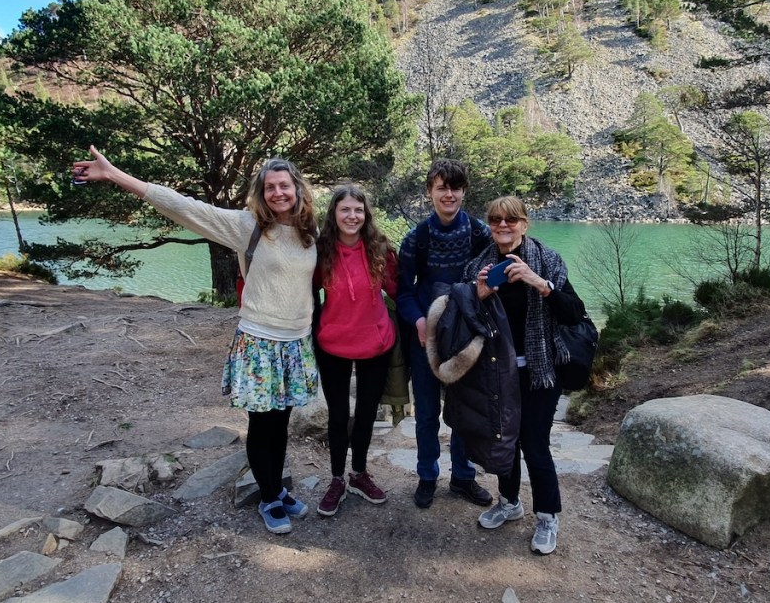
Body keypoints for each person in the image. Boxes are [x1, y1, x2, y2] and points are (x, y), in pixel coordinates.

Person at [70, 146, 318, 536]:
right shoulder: (246, 226)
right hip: (259, 341)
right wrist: (115, 174)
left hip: (295, 343)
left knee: (282, 422)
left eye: (284, 185)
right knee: (261, 424)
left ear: (298, 190)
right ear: (261, 193)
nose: (278, 193)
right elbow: (183, 206)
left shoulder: (311, 234)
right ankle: (270, 496)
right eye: (270, 187)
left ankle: (278, 489)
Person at [463, 196, 587, 555]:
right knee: (505, 441)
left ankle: (547, 515)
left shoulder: (548, 260)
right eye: (496, 219)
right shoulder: (478, 266)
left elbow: (574, 314)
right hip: (496, 372)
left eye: (511, 220)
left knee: (534, 444)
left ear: (524, 224)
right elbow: (465, 317)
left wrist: (540, 284)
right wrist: (479, 294)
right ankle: (510, 502)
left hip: (541, 371)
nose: (503, 225)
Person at [396, 159, 493, 509]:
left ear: (464, 191)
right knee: (425, 413)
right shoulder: (416, 238)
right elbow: (403, 291)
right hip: (426, 339)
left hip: (466, 337)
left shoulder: (480, 233)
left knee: (465, 411)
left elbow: (491, 279)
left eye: (455, 187)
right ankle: (427, 475)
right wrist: (419, 322)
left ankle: (464, 477)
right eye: (441, 187)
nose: (448, 194)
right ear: (430, 193)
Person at [313, 186, 398, 517]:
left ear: (366, 215)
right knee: (337, 415)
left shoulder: (380, 249)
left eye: (358, 210)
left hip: (376, 343)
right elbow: (307, 295)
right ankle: (336, 479)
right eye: (345, 210)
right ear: (334, 213)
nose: (352, 216)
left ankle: (359, 474)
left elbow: (399, 289)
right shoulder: (320, 251)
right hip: (332, 343)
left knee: (366, 412)